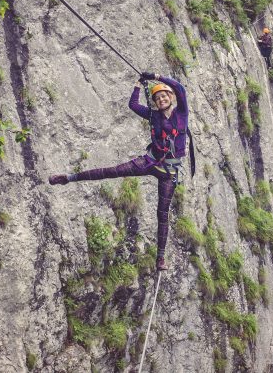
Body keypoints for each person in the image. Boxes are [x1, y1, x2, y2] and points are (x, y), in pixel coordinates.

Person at [48, 72, 189, 271]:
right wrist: (138, 85)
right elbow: (133, 105)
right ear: (155, 103)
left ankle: (160, 258)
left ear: (171, 97)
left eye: (164, 96)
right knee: (112, 171)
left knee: (162, 214)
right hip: (150, 162)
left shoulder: (181, 113)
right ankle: (68, 178)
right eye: (157, 98)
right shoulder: (153, 115)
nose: (161, 99)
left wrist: (157, 76)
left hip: (169, 173)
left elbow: (180, 88)